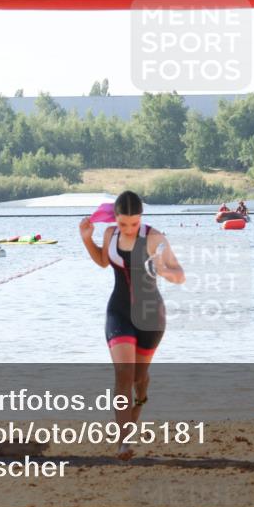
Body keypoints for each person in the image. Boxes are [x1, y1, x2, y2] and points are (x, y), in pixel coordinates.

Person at [79, 190, 185, 460]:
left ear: (141, 218)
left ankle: (144, 390)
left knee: (139, 380)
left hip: (151, 316)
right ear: (115, 218)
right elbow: (103, 261)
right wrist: (86, 239)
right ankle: (123, 443)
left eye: (134, 223)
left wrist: (162, 269)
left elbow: (180, 276)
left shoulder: (155, 238)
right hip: (119, 312)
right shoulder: (109, 235)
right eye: (123, 223)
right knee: (124, 375)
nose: (128, 229)